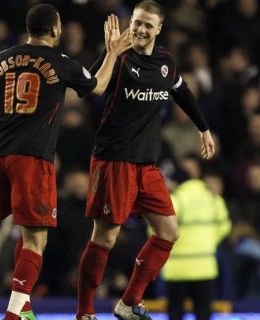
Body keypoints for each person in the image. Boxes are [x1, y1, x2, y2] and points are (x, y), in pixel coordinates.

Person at [0, 4, 131, 320]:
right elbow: (98, 86)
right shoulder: (60, 62)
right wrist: (113, 53)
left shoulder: (1, 59)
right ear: (55, 30)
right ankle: (13, 313)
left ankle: (23, 308)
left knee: (26, 234)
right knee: (37, 239)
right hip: (32, 158)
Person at [75, 1, 216, 320]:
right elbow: (92, 89)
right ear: (131, 22)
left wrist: (203, 128)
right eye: (137, 22)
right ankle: (84, 312)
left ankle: (128, 302)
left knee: (169, 231)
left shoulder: (166, 61)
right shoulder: (120, 55)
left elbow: (181, 92)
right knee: (105, 237)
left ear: (159, 29)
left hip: (147, 163)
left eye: (147, 25)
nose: (140, 29)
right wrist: (110, 52)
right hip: (114, 161)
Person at [164, 165, 231, 320]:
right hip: (205, 267)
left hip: (177, 269)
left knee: (175, 313)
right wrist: (208, 242)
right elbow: (225, 227)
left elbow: (159, 230)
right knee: (203, 313)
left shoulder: (175, 199)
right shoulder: (214, 199)